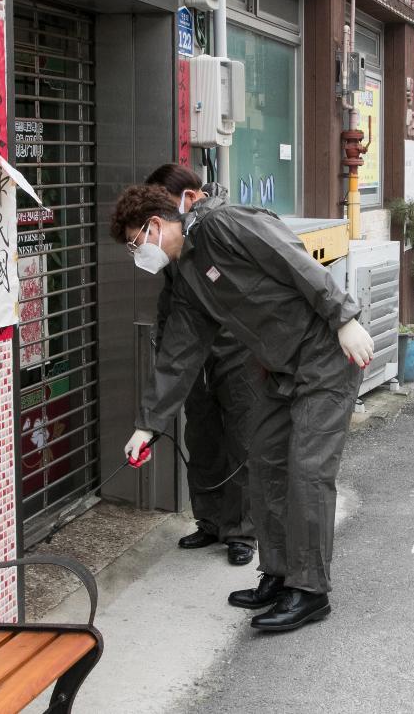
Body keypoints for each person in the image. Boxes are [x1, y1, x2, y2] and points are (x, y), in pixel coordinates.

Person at [111, 184, 374, 632]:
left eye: (136, 242)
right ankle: (278, 573)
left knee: (307, 471)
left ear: (155, 226)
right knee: (265, 463)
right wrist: (148, 425)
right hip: (277, 367)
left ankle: (310, 591)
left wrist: (343, 318)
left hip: (327, 354)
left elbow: (294, 259)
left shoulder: (226, 223)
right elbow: (179, 352)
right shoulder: (188, 271)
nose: (139, 254)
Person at [145, 164, 256, 566]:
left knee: (242, 440)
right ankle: (209, 521)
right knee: (202, 438)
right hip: (195, 354)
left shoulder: (223, 229)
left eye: (163, 201)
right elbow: (170, 302)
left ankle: (243, 530)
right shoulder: (175, 239)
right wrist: (165, 355)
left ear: (189, 196)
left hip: (238, 350)